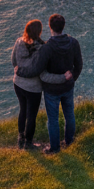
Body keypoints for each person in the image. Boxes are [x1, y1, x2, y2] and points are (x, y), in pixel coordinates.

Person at [17, 13, 82, 154]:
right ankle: (69, 141)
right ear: (63, 26)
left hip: (51, 90)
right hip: (68, 87)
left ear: (50, 27)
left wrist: (20, 72)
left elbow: (37, 70)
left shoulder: (47, 48)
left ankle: (54, 148)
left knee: (53, 119)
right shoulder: (74, 42)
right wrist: (71, 79)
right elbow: (79, 65)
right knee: (69, 114)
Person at [11, 20, 70, 149]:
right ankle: (28, 143)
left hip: (18, 83)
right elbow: (44, 75)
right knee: (31, 115)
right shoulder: (42, 48)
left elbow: (13, 61)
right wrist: (62, 78)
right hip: (33, 88)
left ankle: (20, 138)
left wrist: (18, 68)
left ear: (26, 30)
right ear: (39, 32)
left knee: (23, 110)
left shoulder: (19, 42)